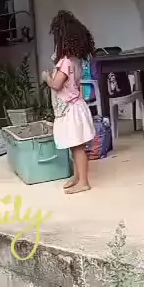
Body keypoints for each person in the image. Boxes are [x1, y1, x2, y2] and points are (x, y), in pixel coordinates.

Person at [42, 10, 95, 194]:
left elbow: (57, 85)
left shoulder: (65, 62)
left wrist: (47, 78)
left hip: (70, 110)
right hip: (75, 107)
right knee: (75, 145)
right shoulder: (75, 60)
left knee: (78, 147)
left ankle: (84, 182)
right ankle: (77, 176)